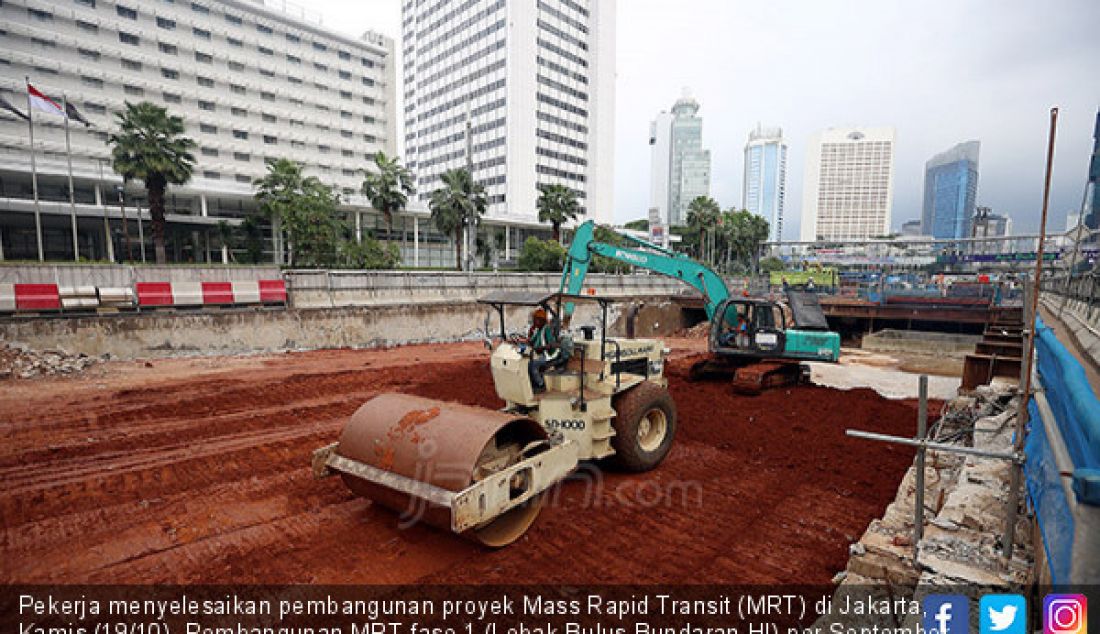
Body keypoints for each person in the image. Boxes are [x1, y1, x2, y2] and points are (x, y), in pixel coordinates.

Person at [523, 307, 559, 393]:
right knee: (526, 363)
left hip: (547, 355)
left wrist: (541, 348)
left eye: (536, 320)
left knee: (533, 365)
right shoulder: (538, 330)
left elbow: (551, 345)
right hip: (538, 354)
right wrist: (526, 338)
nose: (535, 322)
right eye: (534, 320)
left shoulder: (547, 329)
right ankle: (532, 383)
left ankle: (541, 384)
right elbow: (531, 341)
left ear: (542, 320)